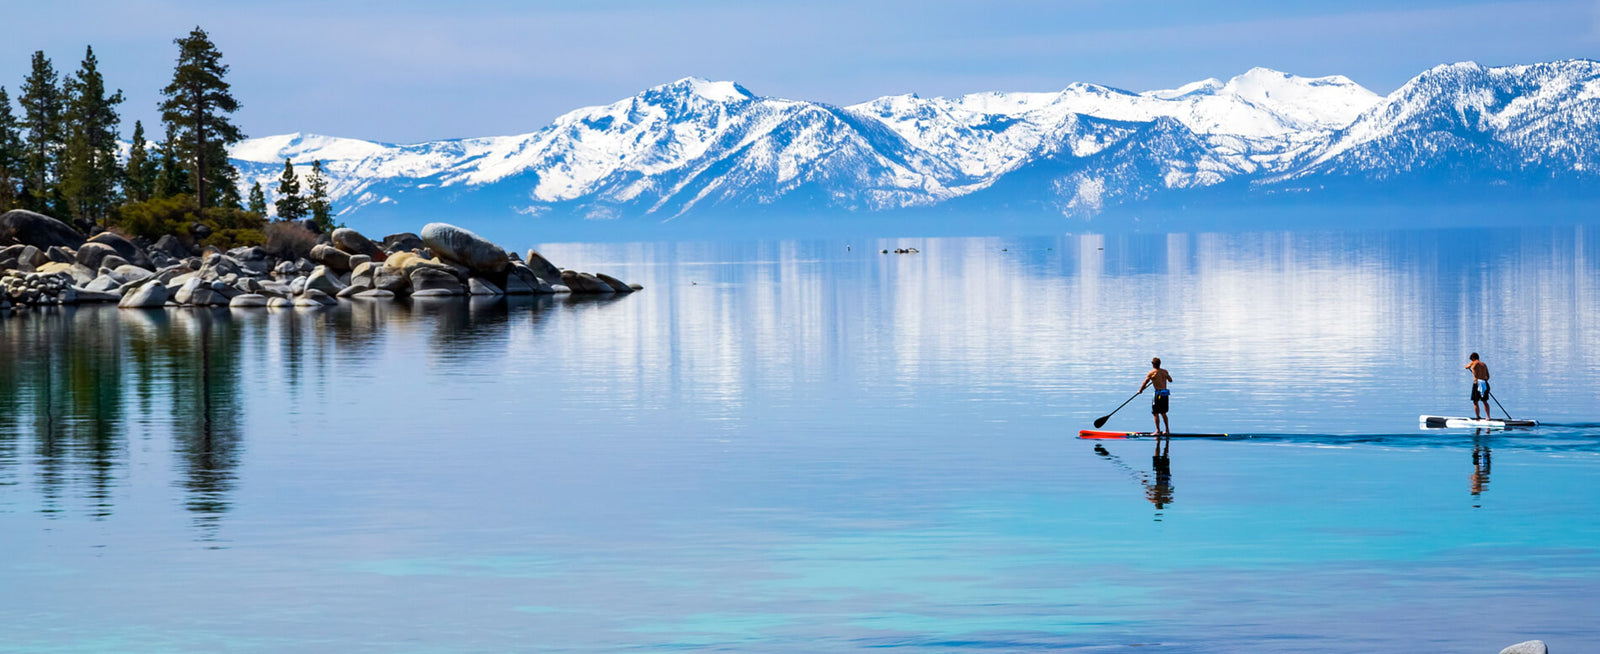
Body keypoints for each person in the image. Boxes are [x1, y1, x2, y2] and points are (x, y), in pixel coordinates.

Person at [1139, 357, 1174, 434]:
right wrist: (1162, 378)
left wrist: (1140, 390)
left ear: (1153, 364)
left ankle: (1157, 430)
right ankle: (1167, 430)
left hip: (1158, 394)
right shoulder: (1165, 371)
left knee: (1155, 413)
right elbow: (1170, 380)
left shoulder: (1152, 373)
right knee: (1163, 413)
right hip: (1165, 394)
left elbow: (1145, 383)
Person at [1465, 352, 1491, 419]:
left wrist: (1469, 366)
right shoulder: (1484, 364)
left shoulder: (1473, 362)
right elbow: (1488, 376)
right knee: (1485, 401)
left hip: (1476, 383)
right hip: (1484, 383)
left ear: (1473, 358)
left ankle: (1477, 417)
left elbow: (1466, 367)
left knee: (1475, 402)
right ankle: (1488, 417)